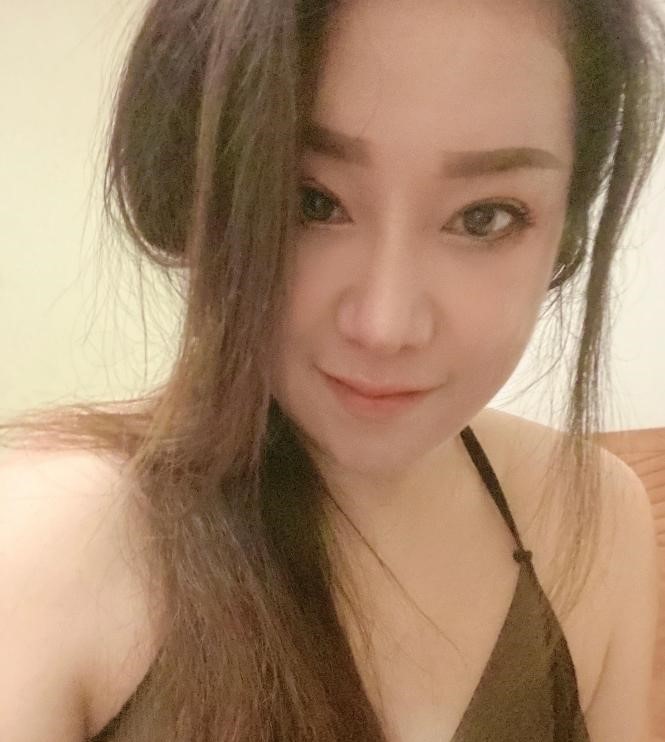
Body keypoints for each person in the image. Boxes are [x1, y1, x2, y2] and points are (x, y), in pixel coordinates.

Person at [1, 0, 664, 740]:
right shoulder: (48, 545)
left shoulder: (595, 516)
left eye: (486, 217)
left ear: (566, 231)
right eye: (310, 200)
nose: (386, 325)